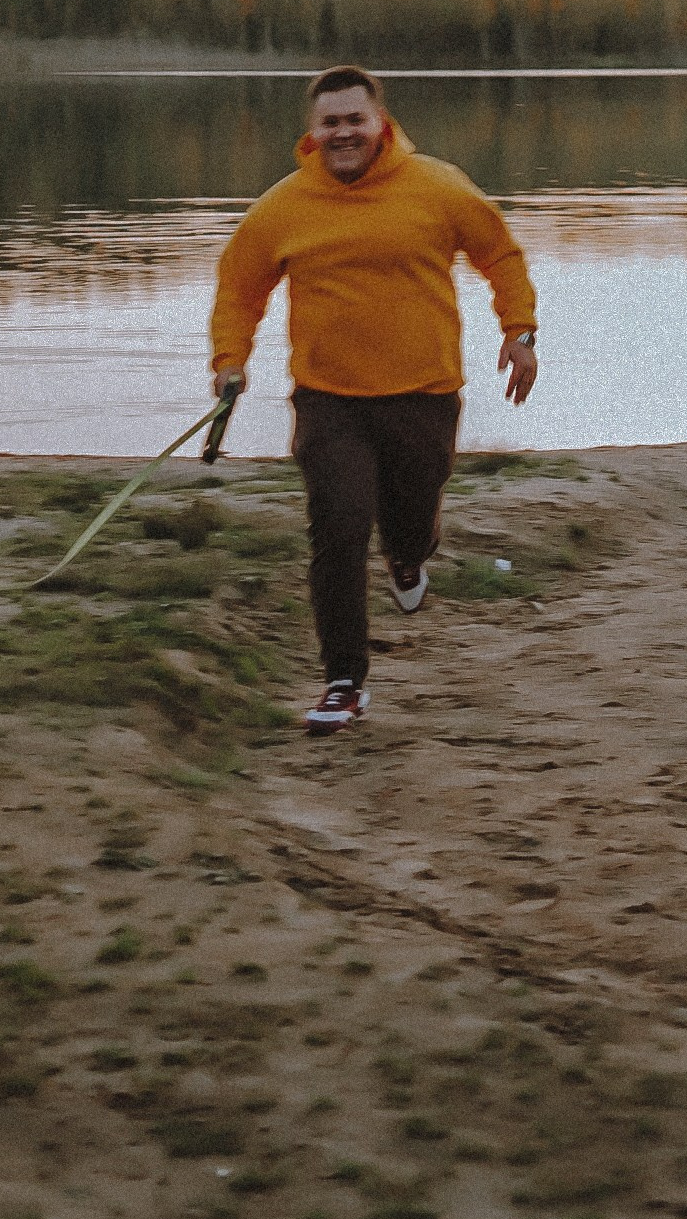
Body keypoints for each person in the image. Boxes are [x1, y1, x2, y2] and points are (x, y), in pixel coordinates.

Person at [209, 65, 540, 733]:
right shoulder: (283, 206)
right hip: (329, 400)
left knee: (411, 518)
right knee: (339, 523)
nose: (342, 134)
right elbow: (238, 288)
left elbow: (499, 254)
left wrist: (519, 330)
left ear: (380, 123)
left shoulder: (437, 186)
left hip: (424, 392)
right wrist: (229, 363)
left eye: (353, 120)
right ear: (311, 132)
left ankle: (408, 554)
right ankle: (342, 681)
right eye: (329, 122)